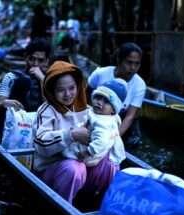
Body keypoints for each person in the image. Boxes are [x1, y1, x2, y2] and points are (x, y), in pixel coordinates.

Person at [33, 60, 119, 203]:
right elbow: (41, 145)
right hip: (53, 168)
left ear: (78, 86)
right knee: (73, 168)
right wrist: (71, 134)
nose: (67, 94)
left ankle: (98, 202)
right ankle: (64, 206)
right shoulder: (46, 111)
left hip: (81, 162)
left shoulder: (87, 109)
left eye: (72, 88)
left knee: (110, 163)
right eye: (61, 90)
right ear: (52, 91)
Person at [88, 42, 146, 146]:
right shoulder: (100, 74)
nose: (133, 68)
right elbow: (85, 97)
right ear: (119, 60)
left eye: (137, 64)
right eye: (129, 62)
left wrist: (112, 139)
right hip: (96, 113)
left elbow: (130, 116)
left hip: (121, 118)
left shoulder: (139, 85)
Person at [62, 78, 127, 167]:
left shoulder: (103, 123)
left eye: (106, 102)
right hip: (90, 143)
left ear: (114, 110)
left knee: (65, 151)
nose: (100, 102)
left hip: (88, 154)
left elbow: (101, 141)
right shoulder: (101, 114)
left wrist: (86, 152)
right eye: (98, 97)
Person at [0, 38, 51, 141]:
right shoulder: (11, 76)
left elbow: (50, 106)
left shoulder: (50, 80)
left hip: (40, 130)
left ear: (47, 61)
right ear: (26, 58)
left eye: (40, 60)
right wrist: (5, 103)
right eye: (32, 59)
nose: (35, 64)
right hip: (15, 129)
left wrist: (42, 79)